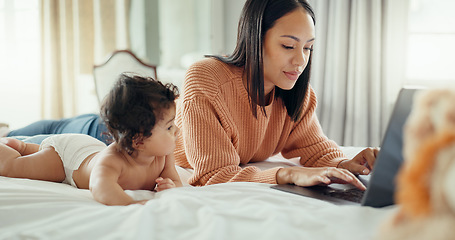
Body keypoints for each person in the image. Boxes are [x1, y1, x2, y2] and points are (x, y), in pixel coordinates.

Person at [173, 0, 378, 189]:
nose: (301, 60)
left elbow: (315, 148)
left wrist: (347, 164)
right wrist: (287, 174)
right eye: (288, 46)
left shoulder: (296, 91)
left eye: (308, 48)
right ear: (255, 38)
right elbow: (213, 175)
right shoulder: (205, 79)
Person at [0, 74, 182, 205]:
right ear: (138, 141)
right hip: (69, 159)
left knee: (35, 154)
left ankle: (23, 146)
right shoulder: (112, 161)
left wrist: (171, 187)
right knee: (13, 167)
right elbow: (100, 187)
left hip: (90, 147)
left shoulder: (163, 155)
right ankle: (18, 148)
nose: (177, 130)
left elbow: (176, 181)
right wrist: (131, 204)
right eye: (169, 127)